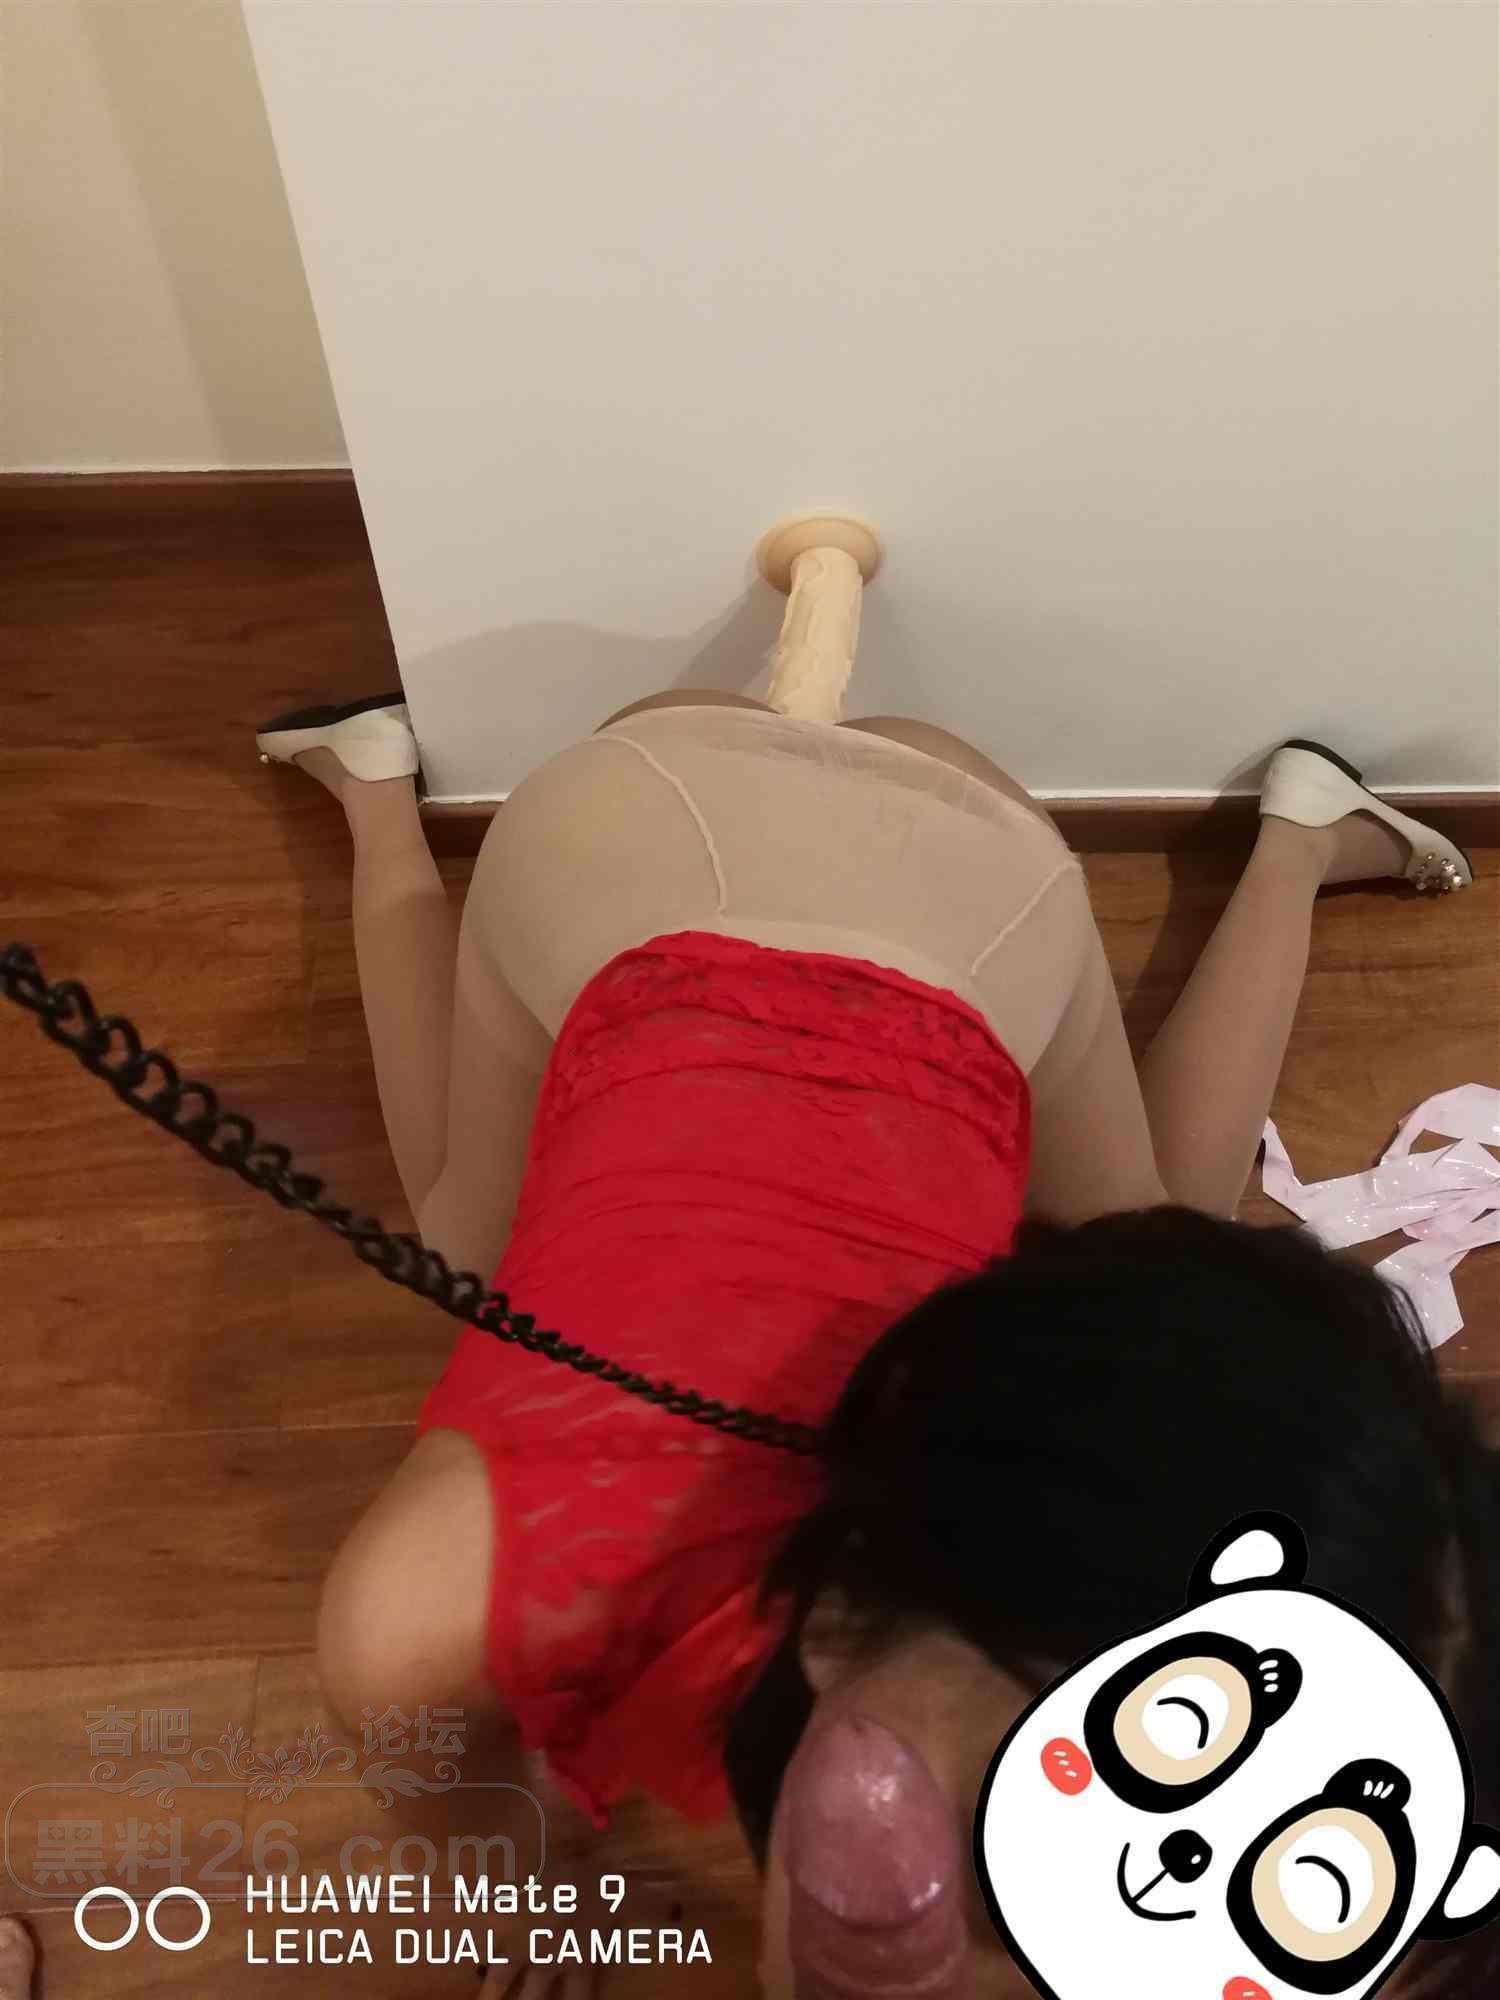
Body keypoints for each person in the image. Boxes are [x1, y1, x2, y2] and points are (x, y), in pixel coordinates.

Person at [250, 687, 1488, 1999]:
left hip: (953, 864)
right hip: (679, 841)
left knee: (1162, 1229)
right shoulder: (425, 1624)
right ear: (840, 1613)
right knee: (465, 1240)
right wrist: (528, 1903)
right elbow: (481, 1833)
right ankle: (380, 809)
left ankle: (1298, 837)